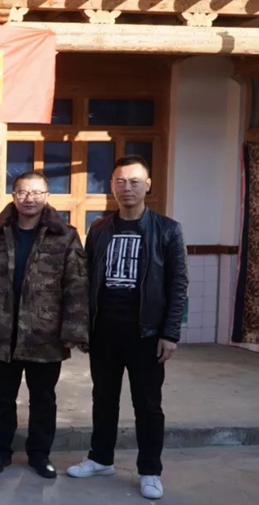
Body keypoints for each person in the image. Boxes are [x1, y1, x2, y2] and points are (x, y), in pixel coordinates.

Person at [67, 155, 188, 500]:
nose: (127, 188)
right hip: (104, 330)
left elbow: (178, 284)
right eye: (120, 181)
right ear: (111, 186)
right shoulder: (99, 229)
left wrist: (170, 333)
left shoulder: (167, 229)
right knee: (103, 398)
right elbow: (87, 280)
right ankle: (100, 458)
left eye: (135, 181)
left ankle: (150, 470)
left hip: (146, 334)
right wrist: (84, 327)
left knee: (147, 404)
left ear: (148, 185)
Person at [0, 171, 88, 479]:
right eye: (23, 192)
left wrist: (73, 331)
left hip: (46, 334)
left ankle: (39, 455)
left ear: (47, 196)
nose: (30, 198)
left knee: (43, 399)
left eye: (37, 192)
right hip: (4, 332)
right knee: (2, 398)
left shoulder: (65, 235)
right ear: (13, 196)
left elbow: (77, 284)